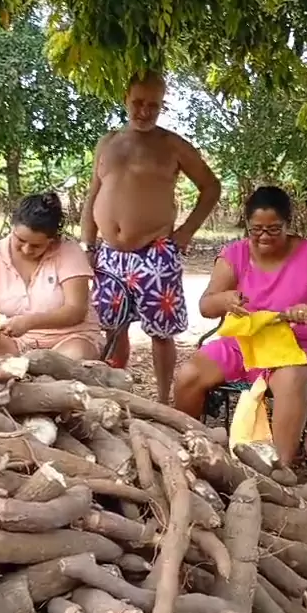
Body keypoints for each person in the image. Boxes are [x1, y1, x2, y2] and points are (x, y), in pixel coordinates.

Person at [174, 185, 307, 465]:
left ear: (288, 224)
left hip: (293, 344)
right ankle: (189, 447)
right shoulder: (235, 254)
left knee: (291, 380)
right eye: (256, 230)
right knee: (188, 375)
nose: (264, 236)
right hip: (242, 342)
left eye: (273, 229)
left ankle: (281, 467)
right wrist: (224, 300)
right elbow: (206, 306)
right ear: (246, 225)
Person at [81, 70, 221, 403]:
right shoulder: (108, 142)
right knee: (113, 327)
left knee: (161, 331)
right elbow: (92, 194)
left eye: (153, 105)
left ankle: (162, 400)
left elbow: (211, 187)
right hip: (109, 254)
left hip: (155, 252)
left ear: (162, 106)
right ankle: (116, 394)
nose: (144, 111)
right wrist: (88, 244)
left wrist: (186, 232)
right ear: (125, 99)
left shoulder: (172, 145)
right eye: (138, 103)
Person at [0, 192, 103, 364]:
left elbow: (76, 311)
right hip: (19, 342)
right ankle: (24, 369)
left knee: (70, 358)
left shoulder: (69, 252)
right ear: (12, 227)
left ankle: (23, 370)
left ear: (52, 240)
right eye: (20, 240)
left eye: (36, 245)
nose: (27, 249)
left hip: (72, 338)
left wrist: (29, 322)